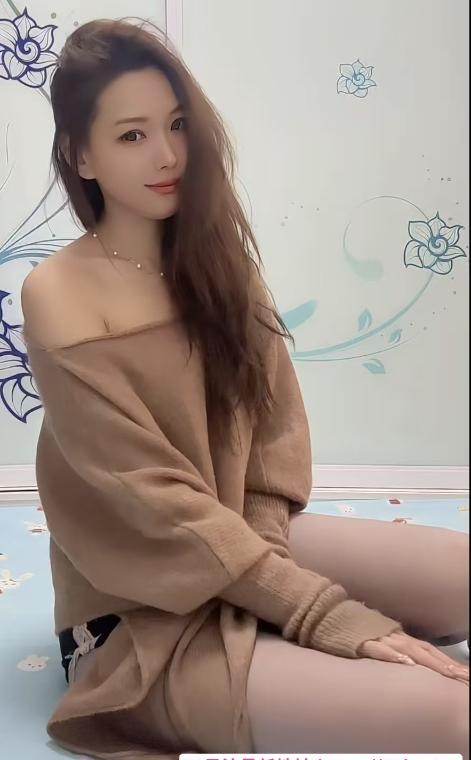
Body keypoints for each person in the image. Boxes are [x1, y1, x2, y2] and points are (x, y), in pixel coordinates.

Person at [21, 18, 468, 760]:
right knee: (451, 713)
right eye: (131, 135)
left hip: (244, 543)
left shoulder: (214, 257)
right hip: (139, 609)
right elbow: (153, 501)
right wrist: (321, 614)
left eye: (176, 125)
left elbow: (268, 429)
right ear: (81, 155)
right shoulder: (58, 292)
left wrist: (279, 591)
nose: (167, 155)